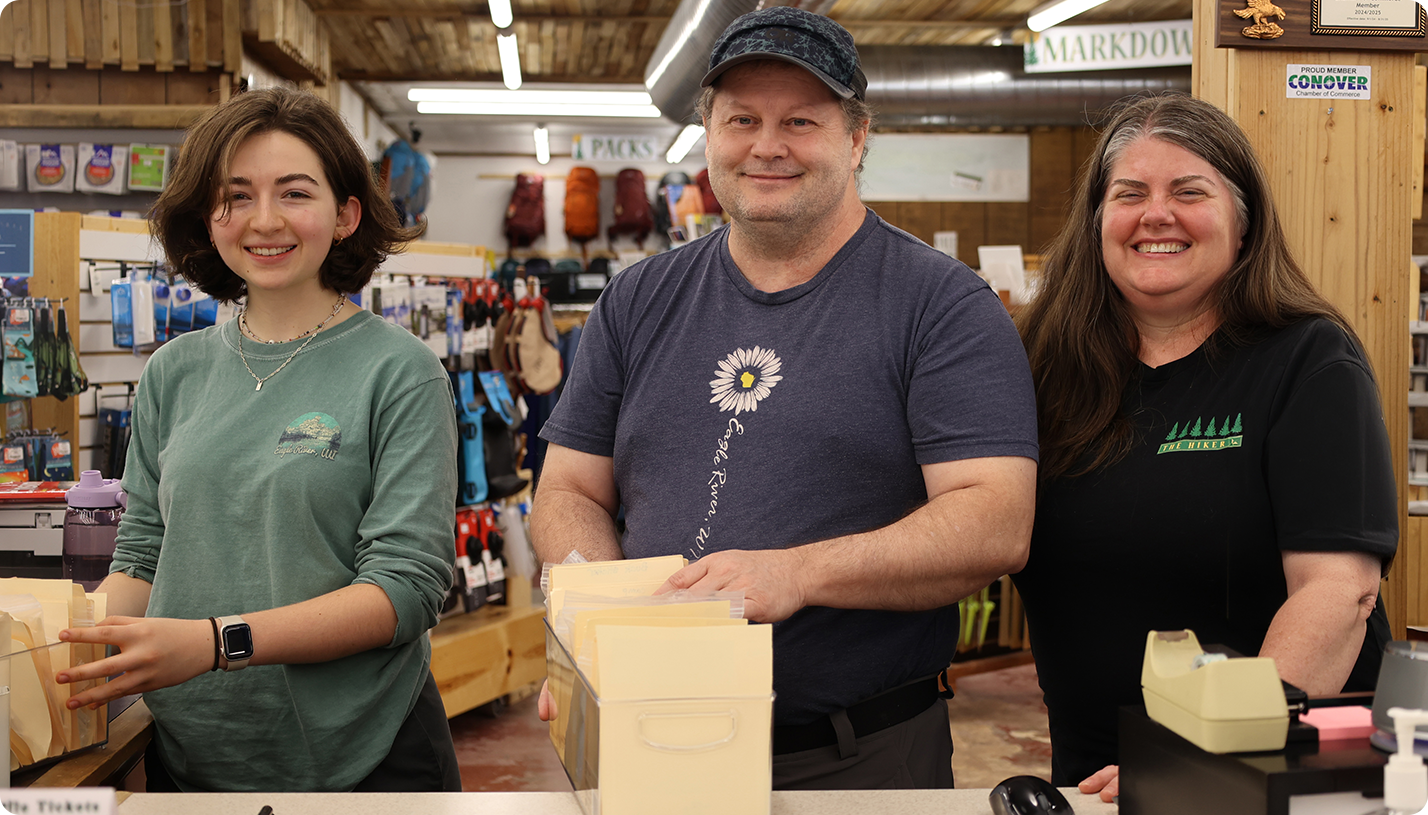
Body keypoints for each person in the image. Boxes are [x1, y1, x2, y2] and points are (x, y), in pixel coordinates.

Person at [531, 7, 1038, 790]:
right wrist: (600, 624)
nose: (767, 144)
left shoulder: (942, 304)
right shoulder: (636, 299)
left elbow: (995, 520)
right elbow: (566, 489)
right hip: (648, 735)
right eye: (742, 119)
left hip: (857, 759)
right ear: (708, 133)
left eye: (800, 119)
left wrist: (797, 573)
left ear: (856, 137)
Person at [55, 87, 462, 792]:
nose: (263, 220)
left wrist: (215, 643)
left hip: (366, 757)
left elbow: (405, 589)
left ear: (345, 215)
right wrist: (61, 647)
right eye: (235, 196)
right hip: (197, 756)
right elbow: (143, 553)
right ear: (208, 217)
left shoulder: (400, 370)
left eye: (294, 193)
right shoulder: (173, 372)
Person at [1012, 92, 1397, 802]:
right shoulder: (1040, 369)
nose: (1156, 214)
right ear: (1098, 221)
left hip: (1269, 767)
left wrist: (1204, 752)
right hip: (1096, 771)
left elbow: (1339, 591)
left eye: (1189, 192)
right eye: (1130, 193)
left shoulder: (1309, 359)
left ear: (1243, 225)